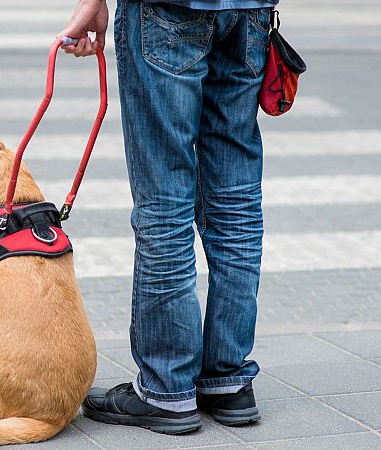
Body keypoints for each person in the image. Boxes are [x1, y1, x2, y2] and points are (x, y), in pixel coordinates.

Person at [60, 0, 277, 434]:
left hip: (167, 8)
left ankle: (167, 388)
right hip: (249, 11)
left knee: (165, 200)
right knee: (234, 200)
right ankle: (227, 380)